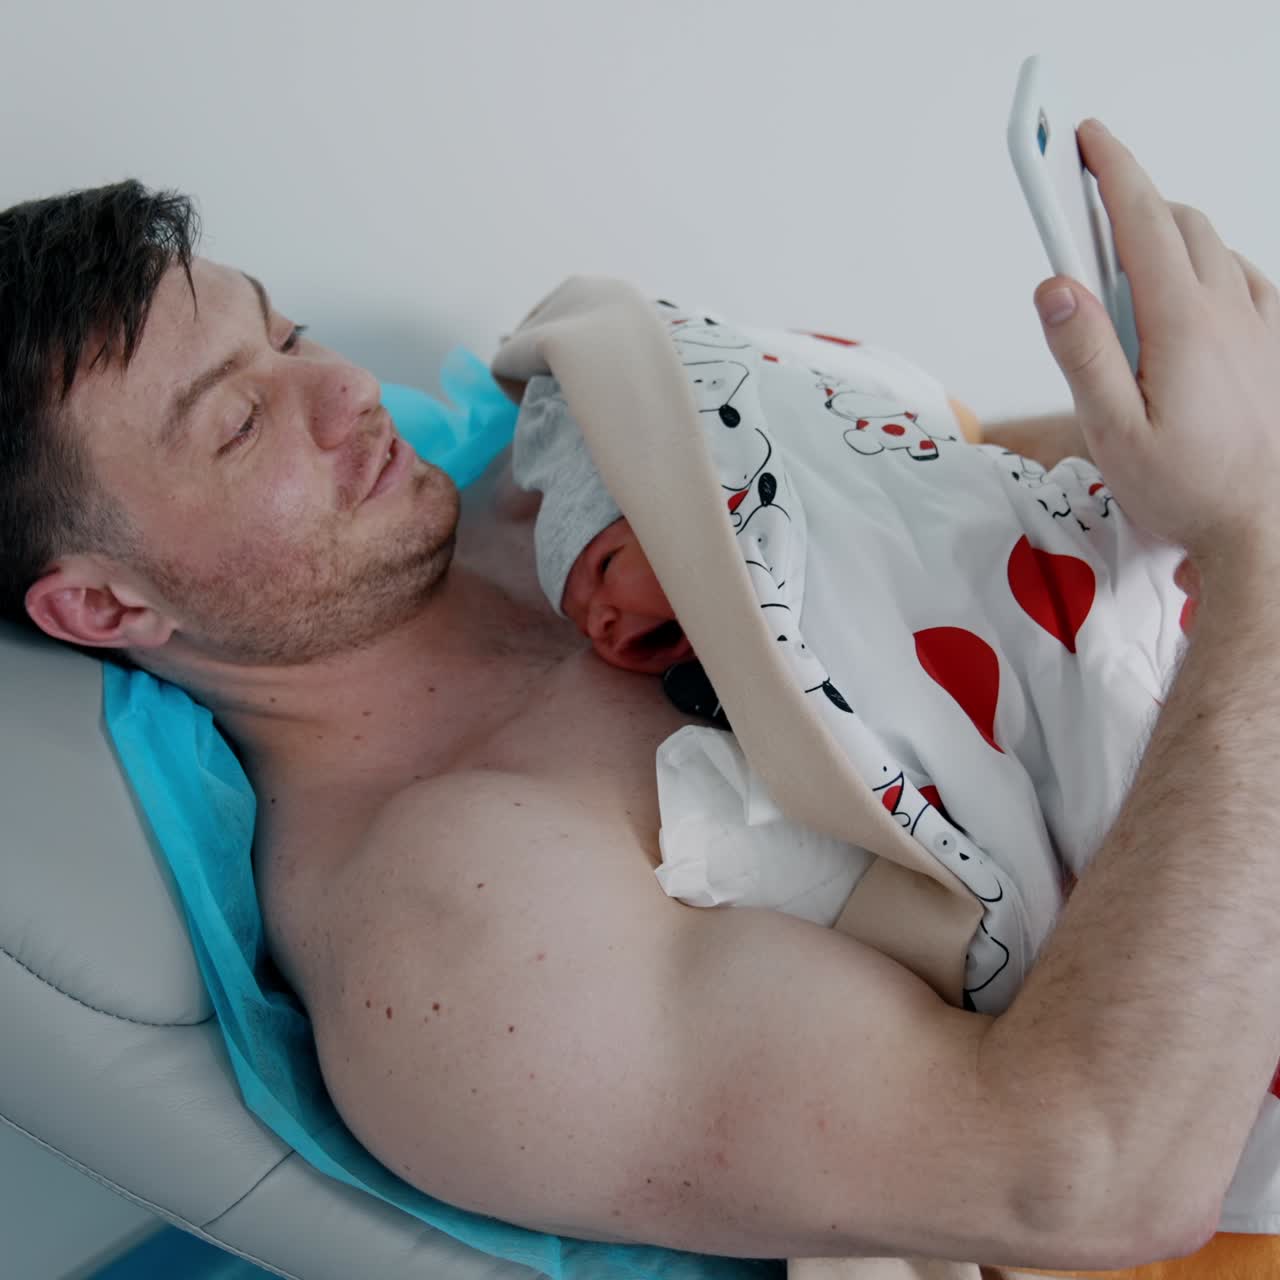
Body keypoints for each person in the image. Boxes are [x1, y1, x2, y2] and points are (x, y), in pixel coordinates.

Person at [3, 117, 1279, 1271]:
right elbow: (1083, 1175)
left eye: (283, 333)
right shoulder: (453, 937)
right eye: (237, 420)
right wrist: (1255, 544)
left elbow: (966, 502)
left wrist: (1188, 429)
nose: (343, 391)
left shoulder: (564, 457)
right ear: (108, 606)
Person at [507, 308, 1199, 1016]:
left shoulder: (786, 522)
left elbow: (932, 439)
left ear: (676, 505)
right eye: (584, 618)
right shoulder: (727, 688)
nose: (602, 622)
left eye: (605, 565)